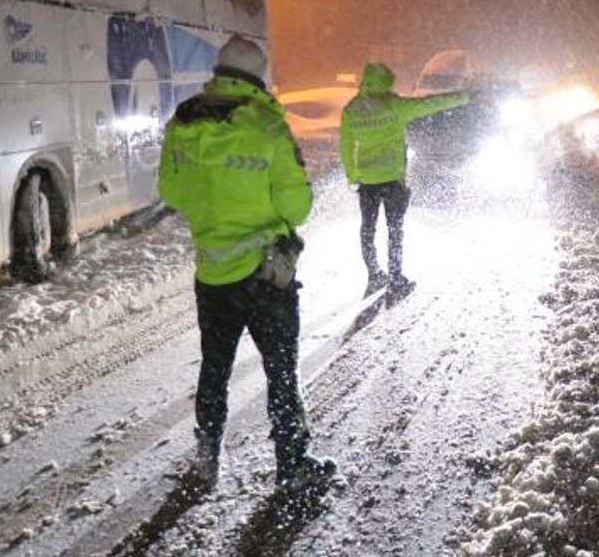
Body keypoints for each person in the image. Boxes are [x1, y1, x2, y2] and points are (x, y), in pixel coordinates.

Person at [158, 35, 334, 489]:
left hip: (212, 273)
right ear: (258, 75)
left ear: (220, 71)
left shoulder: (184, 122)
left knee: (214, 367)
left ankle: (205, 459)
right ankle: (292, 466)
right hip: (264, 274)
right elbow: (296, 208)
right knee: (280, 369)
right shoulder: (268, 125)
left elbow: (172, 192)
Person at [339, 62, 469, 303]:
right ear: (385, 83)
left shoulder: (351, 110)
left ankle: (374, 275)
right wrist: (462, 97)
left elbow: (346, 147)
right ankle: (396, 279)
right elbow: (429, 104)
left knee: (367, 229)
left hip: (367, 181)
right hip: (392, 179)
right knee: (394, 230)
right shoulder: (394, 106)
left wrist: (352, 175)